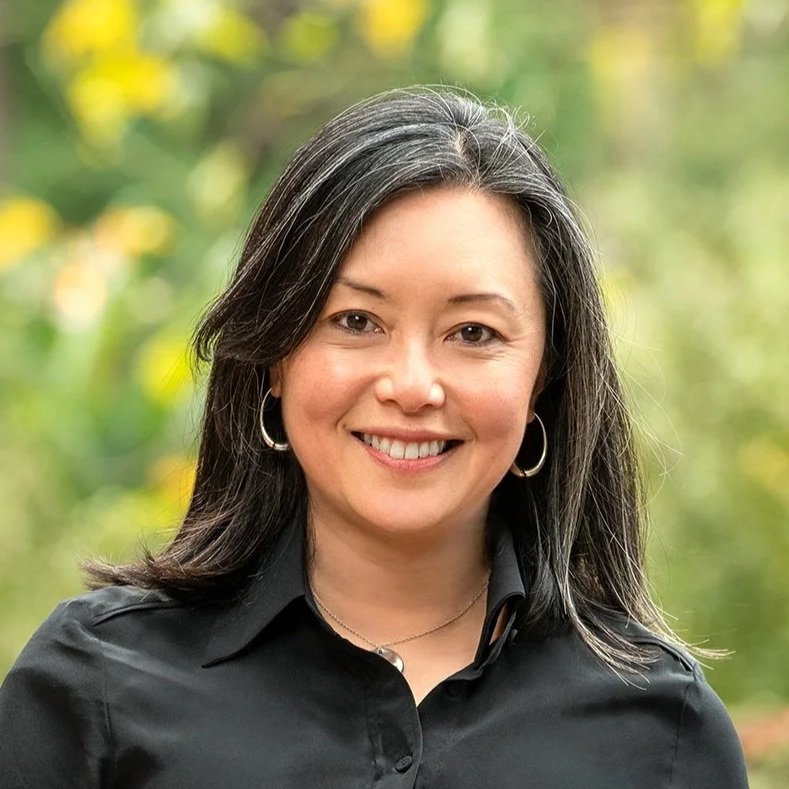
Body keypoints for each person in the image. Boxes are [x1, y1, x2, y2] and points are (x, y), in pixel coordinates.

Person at [0, 88, 748, 788]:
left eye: (473, 332)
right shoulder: (93, 686)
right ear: (275, 357)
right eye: (356, 322)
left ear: (542, 379)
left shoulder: (660, 732)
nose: (412, 384)